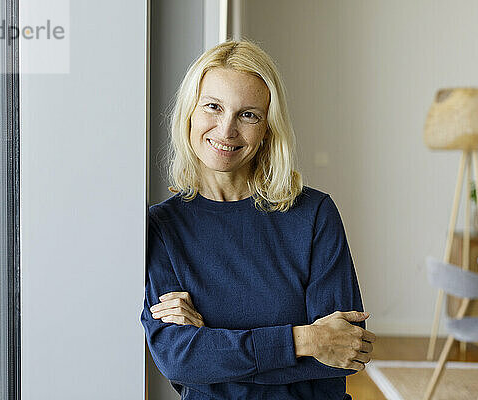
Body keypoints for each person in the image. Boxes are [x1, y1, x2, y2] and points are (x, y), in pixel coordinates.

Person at [141, 40, 376, 400]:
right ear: (189, 112)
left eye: (248, 114)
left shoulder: (313, 215)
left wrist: (216, 349)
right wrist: (305, 339)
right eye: (213, 107)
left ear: (268, 128)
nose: (226, 130)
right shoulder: (160, 227)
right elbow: (179, 359)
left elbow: (343, 352)